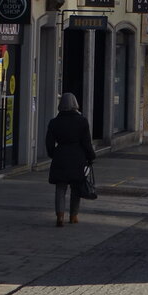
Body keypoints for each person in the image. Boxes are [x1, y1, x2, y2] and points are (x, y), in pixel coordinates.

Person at [46, 92, 96, 227]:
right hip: (77, 157)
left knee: (60, 187)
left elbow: (49, 143)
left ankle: (60, 216)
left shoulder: (54, 122)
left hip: (60, 156)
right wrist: (91, 156)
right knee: (76, 187)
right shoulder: (82, 121)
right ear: (75, 104)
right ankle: (73, 216)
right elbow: (86, 142)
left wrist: (54, 154)